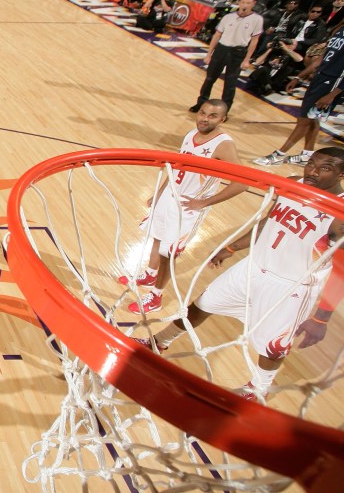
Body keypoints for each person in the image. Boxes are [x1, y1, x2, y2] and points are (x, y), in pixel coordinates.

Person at [135, 147, 344, 401]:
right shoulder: (292, 184)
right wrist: (233, 247)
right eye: (311, 163)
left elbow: (341, 272)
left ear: (341, 174)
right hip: (254, 266)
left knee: (273, 345)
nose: (312, 171)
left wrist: (321, 319)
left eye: (325, 168)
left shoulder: (339, 215)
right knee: (202, 304)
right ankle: (159, 341)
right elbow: (269, 220)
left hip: (291, 285)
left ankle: (258, 388)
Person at [120, 100, 247, 314]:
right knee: (157, 238)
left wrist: (205, 202)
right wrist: (158, 195)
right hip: (170, 197)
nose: (205, 118)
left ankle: (156, 297)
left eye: (212, 116)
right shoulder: (191, 135)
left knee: (169, 254)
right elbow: (175, 167)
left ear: (222, 119)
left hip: (189, 206)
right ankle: (150, 273)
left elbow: (242, 183)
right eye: (202, 113)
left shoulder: (223, 144)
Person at [254, 22, 344, 166]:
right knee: (313, 120)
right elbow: (322, 58)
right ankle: (306, 155)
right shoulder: (339, 31)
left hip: (331, 83)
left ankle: (279, 155)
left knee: (304, 120)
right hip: (319, 78)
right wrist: (299, 77)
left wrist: (333, 95)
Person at [190, 0, 263, 112]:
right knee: (209, 79)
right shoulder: (228, 17)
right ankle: (201, 104)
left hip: (238, 52)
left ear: (253, 4)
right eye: (243, 2)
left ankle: (224, 111)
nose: (245, 5)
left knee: (230, 83)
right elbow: (217, 35)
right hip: (221, 49)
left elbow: (255, 40)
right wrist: (209, 54)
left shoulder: (257, 19)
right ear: (239, 2)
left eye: (248, 3)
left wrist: (246, 59)